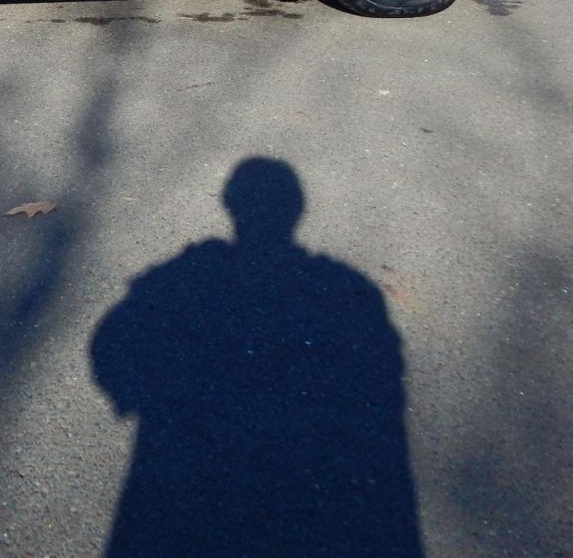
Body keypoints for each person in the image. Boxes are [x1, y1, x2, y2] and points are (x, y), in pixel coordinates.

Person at [91, 157, 422, 556]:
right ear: (297, 210)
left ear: (230, 204)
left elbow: (113, 338)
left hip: (187, 484)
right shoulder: (351, 294)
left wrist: (133, 396)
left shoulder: (186, 276)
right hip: (319, 492)